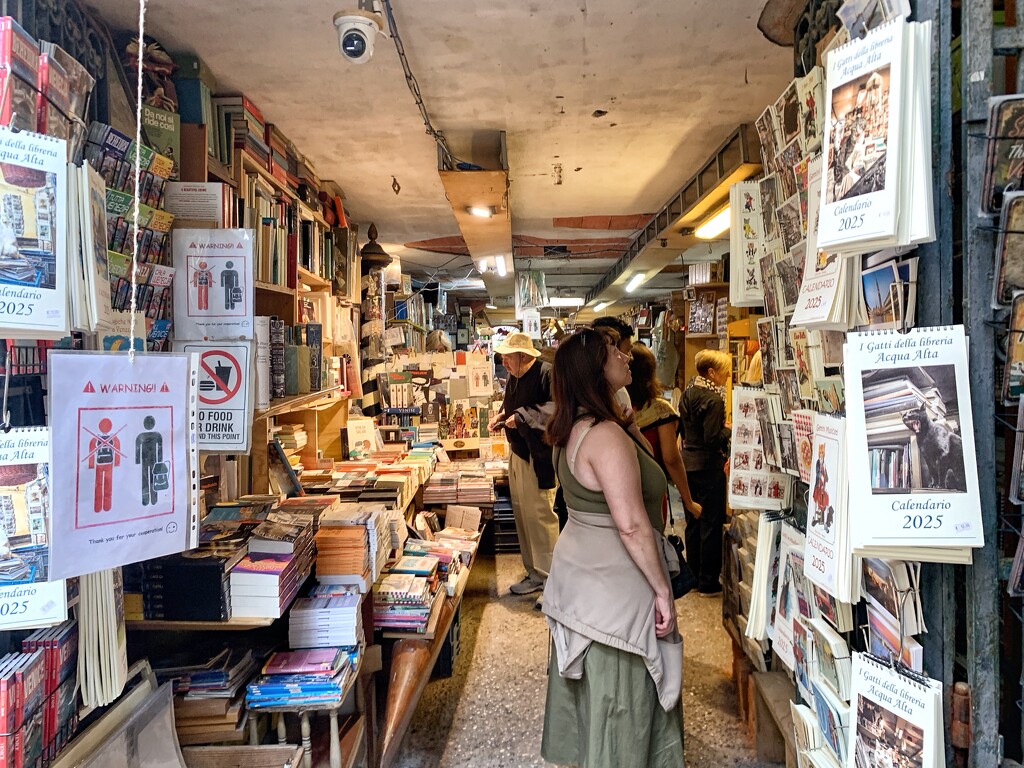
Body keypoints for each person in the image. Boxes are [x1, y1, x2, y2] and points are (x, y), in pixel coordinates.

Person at [541, 327, 683, 768]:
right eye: (612, 352)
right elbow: (632, 526)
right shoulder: (602, 435)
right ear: (594, 370)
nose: (625, 355)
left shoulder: (584, 426)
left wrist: (622, 410)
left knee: (604, 710)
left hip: (588, 583)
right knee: (622, 709)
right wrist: (662, 591)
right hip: (616, 597)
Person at [487, 332, 558, 605]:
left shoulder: (547, 374)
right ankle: (534, 573)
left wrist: (521, 417)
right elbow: (514, 406)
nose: (503, 362)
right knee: (523, 514)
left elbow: (555, 408)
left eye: (508, 357)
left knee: (542, 517)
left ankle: (552, 580)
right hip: (519, 453)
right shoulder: (515, 377)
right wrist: (503, 415)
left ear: (525, 356)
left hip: (539, 456)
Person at [626, 343, 701, 523]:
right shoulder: (659, 410)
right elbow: (671, 459)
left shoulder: (615, 407)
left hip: (619, 487)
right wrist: (688, 501)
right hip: (651, 489)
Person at [678, 348, 732, 597]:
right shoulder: (714, 399)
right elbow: (712, 439)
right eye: (725, 372)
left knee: (693, 521)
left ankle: (694, 574)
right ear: (712, 373)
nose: (728, 377)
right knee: (711, 522)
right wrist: (729, 430)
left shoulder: (688, 393)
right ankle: (709, 580)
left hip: (688, 464)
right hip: (709, 466)